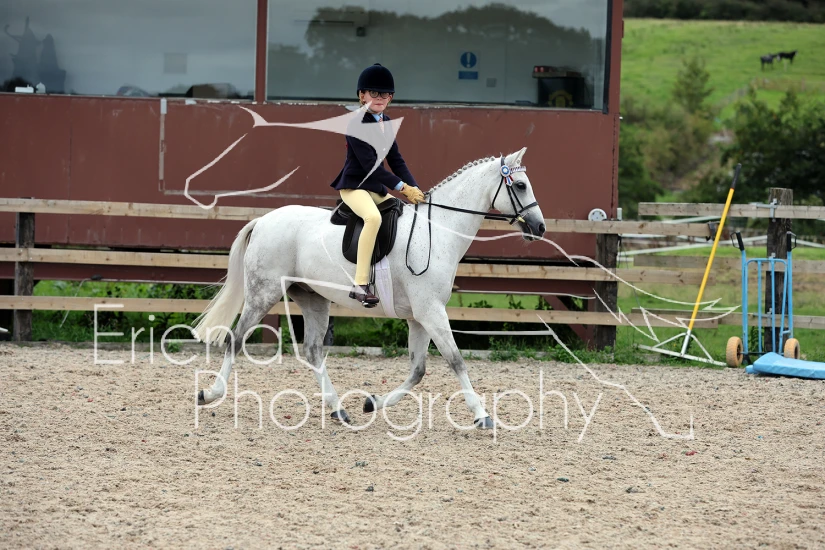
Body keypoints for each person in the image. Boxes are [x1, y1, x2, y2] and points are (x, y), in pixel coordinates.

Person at [330, 63, 425, 307]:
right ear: (362, 95)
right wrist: (403, 188)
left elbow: (396, 160)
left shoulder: (386, 121)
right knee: (373, 218)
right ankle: (360, 284)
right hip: (355, 187)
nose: (380, 98)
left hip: (375, 189)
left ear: (390, 97)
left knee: (402, 211)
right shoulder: (355, 124)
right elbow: (371, 166)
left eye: (385, 94)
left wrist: (415, 189)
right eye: (374, 93)